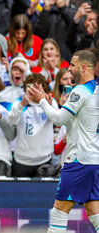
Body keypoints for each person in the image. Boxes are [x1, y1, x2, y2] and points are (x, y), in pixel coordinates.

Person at [28, 50, 99, 233]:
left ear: (84, 68)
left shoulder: (80, 91)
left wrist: (42, 101)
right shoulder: (96, 90)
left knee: (60, 209)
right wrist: (51, 104)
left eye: (73, 65)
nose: (69, 70)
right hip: (94, 160)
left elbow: (59, 120)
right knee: (93, 210)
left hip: (79, 161)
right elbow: (73, 118)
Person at [8, 73, 58, 177]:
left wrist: (48, 105)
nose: (33, 92)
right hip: (22, 161)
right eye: (30, 89)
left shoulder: (50, 101)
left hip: (44, 159)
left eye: (36, 89)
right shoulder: (19, 102)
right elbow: (11, 121)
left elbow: (58, 121)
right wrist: (22, 104)